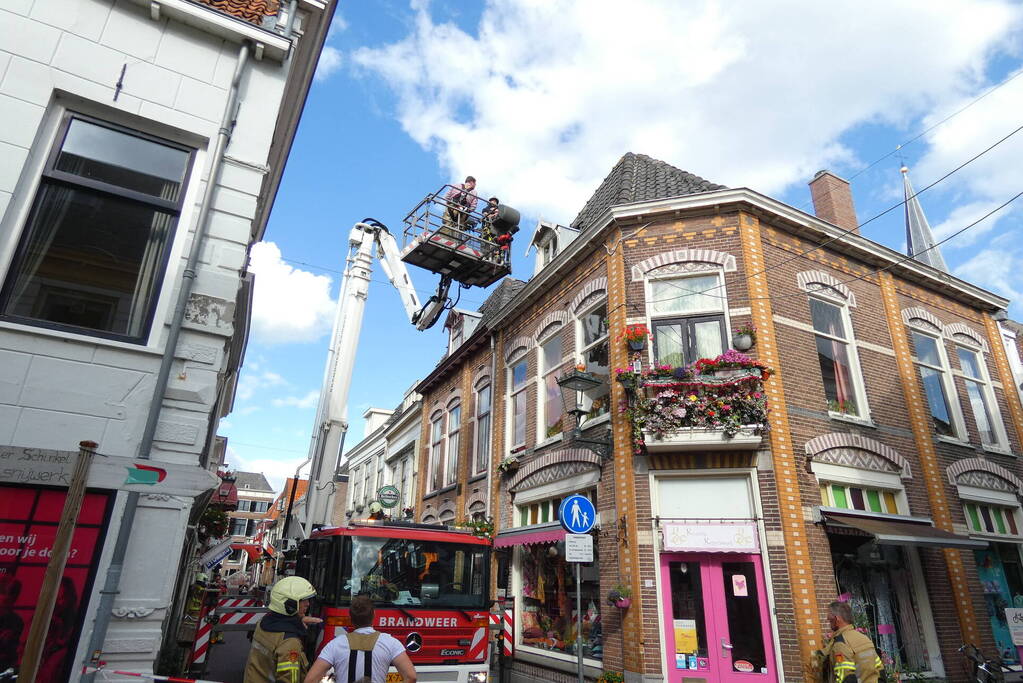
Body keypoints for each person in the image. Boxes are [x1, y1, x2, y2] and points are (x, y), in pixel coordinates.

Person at [305, 595, 416, 683]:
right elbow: (411, 677)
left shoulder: (335, 644)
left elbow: (310, 680)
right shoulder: (390, 643)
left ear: (351, 619)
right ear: (374, 615)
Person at [244, 576, 322, 683]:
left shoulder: (264, 622)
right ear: (289, 604)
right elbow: (290, 680)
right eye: (303, 600)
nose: (307, 604)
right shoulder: (290, 643)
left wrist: (298, 621)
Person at [816, 601, 884, 683]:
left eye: (829, 615)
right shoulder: (864, 638)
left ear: (836, 618)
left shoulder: (841, 643)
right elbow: (879, 668)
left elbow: (845, 676)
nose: (827, 618)